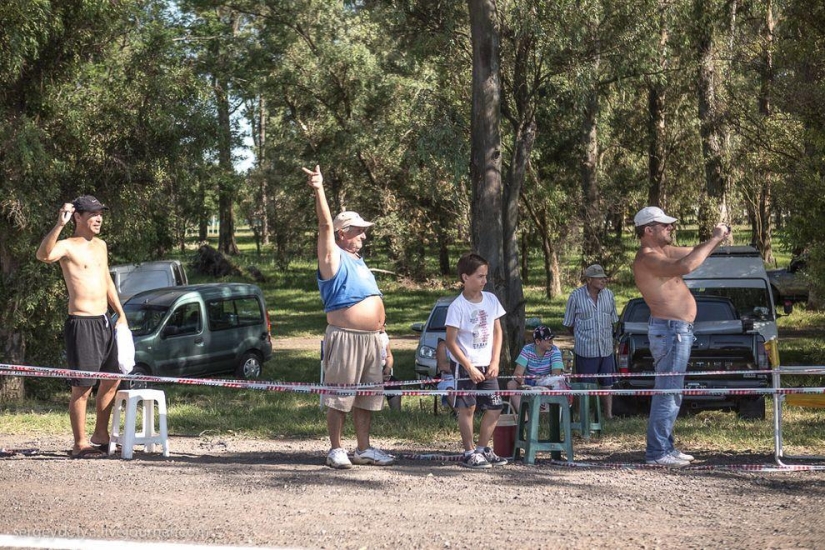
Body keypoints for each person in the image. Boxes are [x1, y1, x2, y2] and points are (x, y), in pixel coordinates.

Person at [303, 164, 395, 469]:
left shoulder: (360, 263)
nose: (364, 237)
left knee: (366, 397)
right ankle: (336, 449)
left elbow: (375, 306)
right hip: (346, 338)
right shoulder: (333, 258)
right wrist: (319, 188)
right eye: (358, 231)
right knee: (340, 396)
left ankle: (364, 449)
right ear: (343, 234)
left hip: (372, 339)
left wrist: (385, 341)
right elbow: (325, 226)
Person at [632, 206, 730, 467]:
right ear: (648, 230)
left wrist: (715, 240)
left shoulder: (662, 252)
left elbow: (694, 254)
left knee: (672, 391)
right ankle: (657, 452)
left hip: (675, 330)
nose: (670, 228)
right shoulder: (647, 258)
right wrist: (714, 238)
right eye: (664, 225)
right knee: (668, 392)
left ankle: (665, 446)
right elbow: (686, 265)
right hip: (670, 331)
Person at [35, 195, 128, 459]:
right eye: (93, 214)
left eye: (101, 213)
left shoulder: (101, 245)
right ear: (78, 216)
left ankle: (100, 434)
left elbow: (107, 281)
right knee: (83, 386)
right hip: (81, 322)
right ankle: (80, 443)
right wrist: (59, 224)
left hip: (104, 320)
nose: (98, 218)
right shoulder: (67, 245)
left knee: (112, 379)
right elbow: (43, 255)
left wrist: (120, 314)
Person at [445, 253, 508, 469]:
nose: (484, 280)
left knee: (495, 406)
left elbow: (497, 332)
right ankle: (469, 452)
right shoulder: (457, 306)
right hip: (466, 365)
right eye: (479, 276)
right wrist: (468, 366)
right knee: (468, 408)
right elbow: (450, 341)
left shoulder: (491, 300)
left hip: (487, 363)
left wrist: (495, 361)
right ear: (465, 277)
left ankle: (482, 448)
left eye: (485, 276)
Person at [562, 263, 619, 419]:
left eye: (604, 277)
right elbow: (568, 323)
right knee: (583, 385)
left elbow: (613, 320)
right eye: (599, 278)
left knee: (607, 383)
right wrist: (582, 336)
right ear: (589, 279)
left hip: (606, 348)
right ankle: (581, 415)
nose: (603, 280)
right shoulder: (576, 296)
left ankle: (608, 415)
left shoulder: (609, 295)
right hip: (586, 350)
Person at [507, 325, 566, 414]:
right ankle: (524, 417)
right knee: (511, 384)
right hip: (528, 382)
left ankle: (548, 414)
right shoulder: (527, 350)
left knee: (556, 385)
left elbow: (556, 375)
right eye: (547, 339)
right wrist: (522, 381)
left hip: (546, 383)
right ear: (538, 341)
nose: (551, 342)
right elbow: (517, 373)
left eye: (552, 339)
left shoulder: (555, 351)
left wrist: (542, 383)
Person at [379, 328, 402, 412]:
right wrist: (378, 376)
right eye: (382, 322)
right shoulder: (365, 336)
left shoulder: (384, 336)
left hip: (383, 374)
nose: (385, 325)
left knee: (394, 384)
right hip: (366, 376)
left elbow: (389, 356)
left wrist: (387, 369)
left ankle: (396, 414)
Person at [434, 338, 456, 415]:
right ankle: (459, 414)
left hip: (469, 375)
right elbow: (443, 367)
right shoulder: (443, 346)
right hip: (449, 378)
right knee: (449, 390)